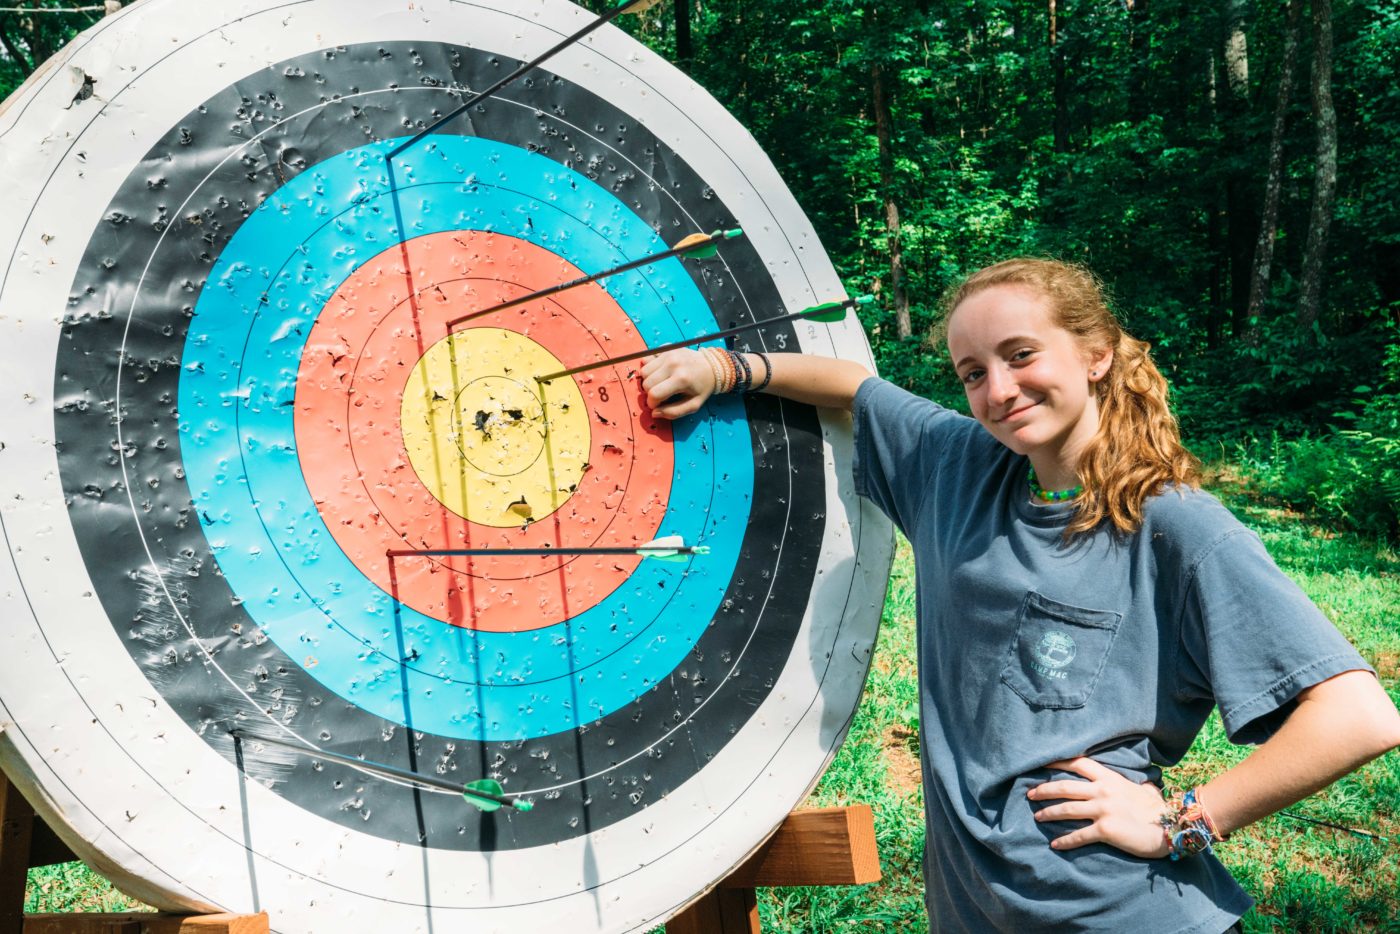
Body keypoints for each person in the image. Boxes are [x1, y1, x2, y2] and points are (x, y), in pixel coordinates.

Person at [639, 258, 1400, 932]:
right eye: (972, 372)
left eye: (1021, 354)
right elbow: (854, 389)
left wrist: (1183, 821)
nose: (998, 390)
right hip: (974, 910)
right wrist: (724, 370)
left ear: (1097, 355)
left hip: (1117, 911)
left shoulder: (1176, 527)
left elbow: (1358, 715)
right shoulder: (958, 466)